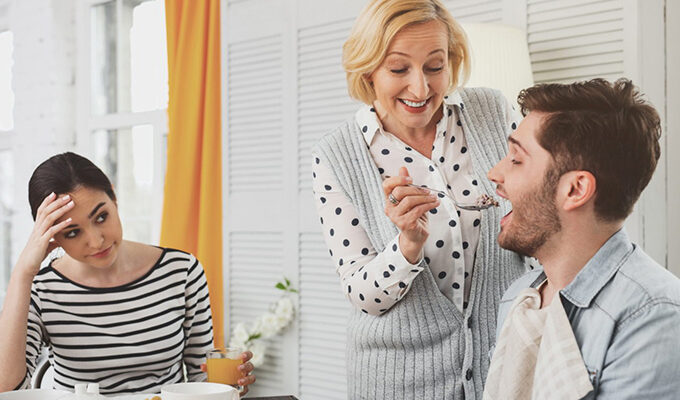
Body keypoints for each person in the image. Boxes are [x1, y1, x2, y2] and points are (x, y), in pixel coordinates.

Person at [311, 0, 526, 398]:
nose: (420, 88)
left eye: (434, 66)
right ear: (368, 69)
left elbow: (539, 217)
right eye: (398, 69)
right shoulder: (337, 155)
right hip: (398, 383)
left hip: (503, 371)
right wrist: (407, 245)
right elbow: (364, 295)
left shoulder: (493, 113)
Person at [483, 79, 680, 400]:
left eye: (516, 159)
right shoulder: (519, 298)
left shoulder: (654, 318)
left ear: (575, 190)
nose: (494, 173)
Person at [0, 152, 256, 395]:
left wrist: (229, 387)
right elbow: (7, 389)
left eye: (101, 217)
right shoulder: (41, 290)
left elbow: (203, 382)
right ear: (52, 236)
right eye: (73, 232)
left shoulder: (182, 272)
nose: (96, 241)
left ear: (114, 198)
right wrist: (23, 272)